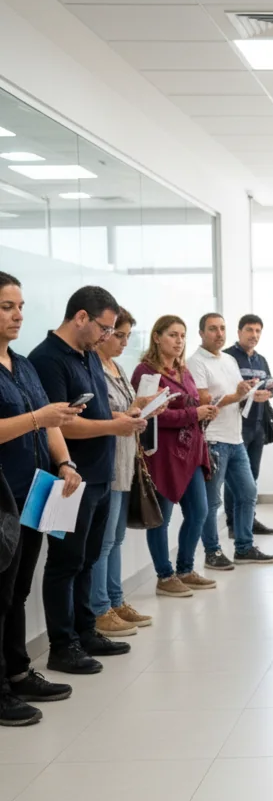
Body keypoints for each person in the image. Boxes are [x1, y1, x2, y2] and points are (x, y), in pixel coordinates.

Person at [29, 287, 147, 675]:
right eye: (105, 328)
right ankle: (63, 646)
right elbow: (60, 426)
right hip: (68, 478)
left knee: (87, 559)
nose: (107, 337)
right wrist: (114, 426)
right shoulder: (47, 360)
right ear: (81, 317)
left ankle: (85, 628)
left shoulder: (88, 357)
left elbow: (95, 412)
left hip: (98, 476)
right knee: (65, 564)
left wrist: (125, 419)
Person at [0, 271, 81, 726]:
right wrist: (36, 417)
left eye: (20, 306)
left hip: (33, 495)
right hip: (2, 499)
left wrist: (65, 462)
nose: (17, 315)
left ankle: (16, 671)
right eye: (7, 306)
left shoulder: (23, 364)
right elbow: (35, 418)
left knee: (16, 591)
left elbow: (50, 423)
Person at [132, 316, 218, 598]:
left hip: (191, 451)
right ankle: (164, 576)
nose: (179, 341)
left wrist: (205, 411)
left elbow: (193, 402)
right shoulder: (146, 373)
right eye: (172, 335)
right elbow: (150, 414)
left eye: (182, 335)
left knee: (199, 512)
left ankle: (185, 569)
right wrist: (194, 414)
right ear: (156, 337)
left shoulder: (184, 369)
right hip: (162, 454)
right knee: (162, 518)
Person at [187, 313, 273, 569]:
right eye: (213, 329)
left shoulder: (228, 360)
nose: (219, 333)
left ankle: (244, 548)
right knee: (212, 502)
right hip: (213, 439)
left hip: (235, 437)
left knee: (248, 492)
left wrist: (250, 393)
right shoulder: (196, 362)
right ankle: (212, 552)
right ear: (202, 333)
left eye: (222, 328)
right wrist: (236, 395)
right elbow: (204, 400)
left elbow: (237, 394)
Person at [90, 307, 157, 635]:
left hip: (126, 460)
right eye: (118, 334)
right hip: (109, 462)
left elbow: (123, 411)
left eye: (127, 335)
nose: (122, 341)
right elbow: (104, 415)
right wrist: (131, 411)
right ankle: (100, 608)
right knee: (103, 542)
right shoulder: (93, 368)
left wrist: (143, 405)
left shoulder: (116, 367)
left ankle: (115, 600)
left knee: (115, 539)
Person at [224, 313, 273, 537]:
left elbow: (270, 383)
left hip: (257, 425)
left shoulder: (261, 359)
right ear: (239, 332)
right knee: (234, 479)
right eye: (249, 330)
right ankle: (233, 524)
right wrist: (247, 395)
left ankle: (249, 521)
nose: (254, 335)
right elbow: (225, 390)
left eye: (257, 331)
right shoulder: (227, 358)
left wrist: (270, 391)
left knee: (251, 477)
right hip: (236, 426)